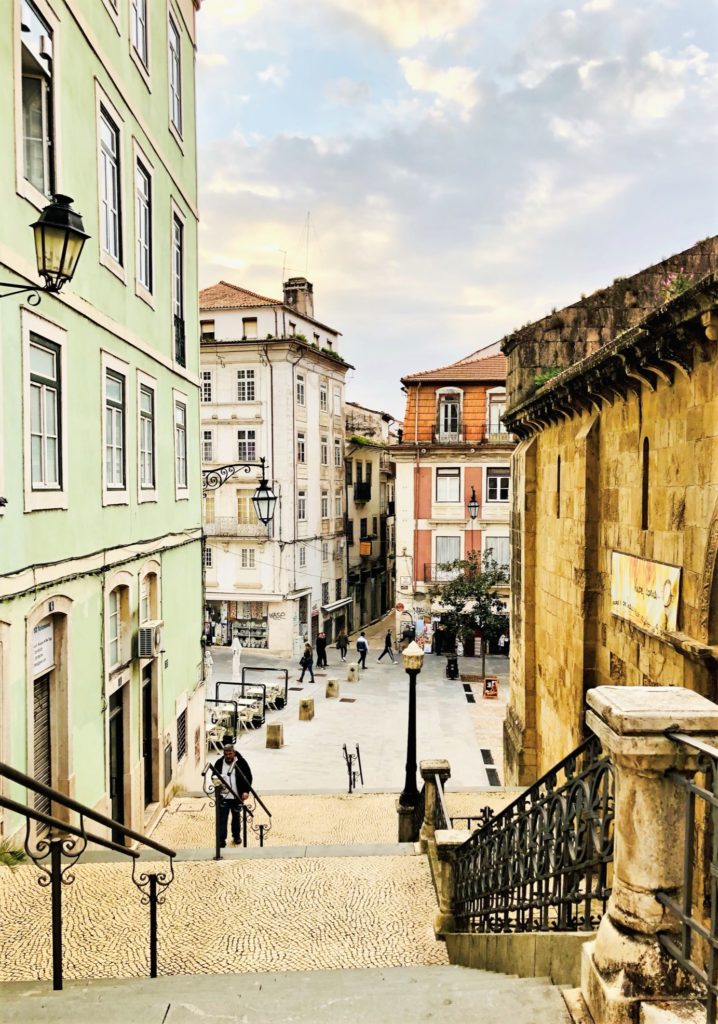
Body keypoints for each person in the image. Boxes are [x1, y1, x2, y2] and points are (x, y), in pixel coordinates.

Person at [212, 741, 252, 848]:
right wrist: (216, 782)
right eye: (226, 754)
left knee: (236, 818)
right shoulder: (219, 763)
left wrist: (246, 791)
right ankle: (221, 840)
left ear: (234, 753)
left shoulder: (241, 762)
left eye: (230, 754)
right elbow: (214, 776)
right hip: (223, 796)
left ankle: (236, 836)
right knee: (222, 819)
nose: (228, 756)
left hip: (237, 796)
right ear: (224, 754)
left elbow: (248, 777)